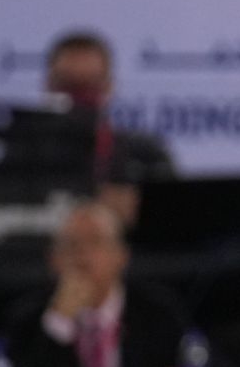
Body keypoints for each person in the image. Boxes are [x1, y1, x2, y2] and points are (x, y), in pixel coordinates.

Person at [0, 201, 205, 367]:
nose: (82, 256)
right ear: (53, 260)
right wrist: (58, 325)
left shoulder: (159, 312)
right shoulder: (26, 318)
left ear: (121, 256)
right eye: (71, 245)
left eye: (95, 242)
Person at [43, 31, 177, 224]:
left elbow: (175, 228)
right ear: (48, 85)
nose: (79, 97)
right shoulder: (20, 155)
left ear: (109, 87)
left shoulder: (146, 157)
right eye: (69, 85)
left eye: (90, 86)